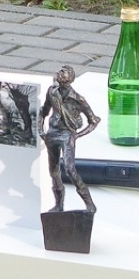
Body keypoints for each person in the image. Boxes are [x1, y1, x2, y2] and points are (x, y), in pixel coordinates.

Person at [39, 66, 100, 213]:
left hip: (67, 135)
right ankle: (59, 205)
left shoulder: (78, 99)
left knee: (70, 169)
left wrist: (77, 135)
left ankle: (90, 204)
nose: (59, 72)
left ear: (70, 78)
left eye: (63, 71)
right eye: (59, 70)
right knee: (53, 172)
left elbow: (94, 121)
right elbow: (44, 111)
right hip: (52, 133)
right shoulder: (51, 92)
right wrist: (41, 130)